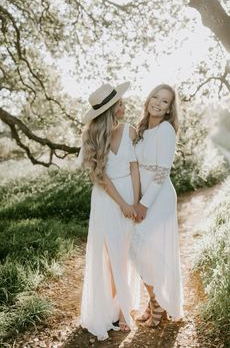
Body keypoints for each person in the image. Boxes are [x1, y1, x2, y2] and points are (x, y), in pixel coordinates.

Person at [77, 82, 140, 340]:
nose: (125, 106)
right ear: (112, 110)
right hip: (106, 200)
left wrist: (134, 202)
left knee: (128, 252)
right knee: (113, 254)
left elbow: (135, 167)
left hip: (129, 194)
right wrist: (122, 204)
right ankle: (122, 310)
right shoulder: (91, 137)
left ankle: (123, 302)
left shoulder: (130, 131)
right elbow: (99, 176)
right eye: (121, 103)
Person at [130, 84, 184, 328]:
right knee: (138, 251)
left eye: (165, 102)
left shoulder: (165, 130)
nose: (158, 103)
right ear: (148, 99)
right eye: (155, 97)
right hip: (140, 196)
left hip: (158, 198)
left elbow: (162, 172)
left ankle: (158, 303)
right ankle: (154, 301)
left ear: (169, 108)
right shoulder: (141, 129)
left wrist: (144, 203)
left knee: (150, 251)